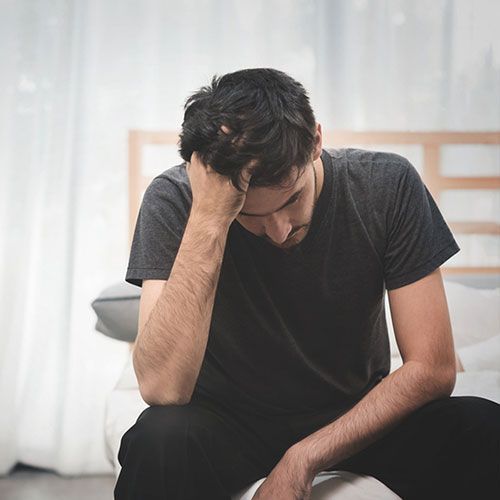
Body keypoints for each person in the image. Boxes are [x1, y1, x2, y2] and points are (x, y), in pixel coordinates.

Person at [114, 68, 500, 500]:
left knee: (483, 428)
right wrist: (210, 217)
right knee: (157, 440)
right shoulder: (175, 199)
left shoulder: (387, 185)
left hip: (354, 416)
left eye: (292, 198)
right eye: (251, 216)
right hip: (228, 422)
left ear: (316, 141)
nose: (279, 231)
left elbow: (432, 368)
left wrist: (302, 459)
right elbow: (162, 388)